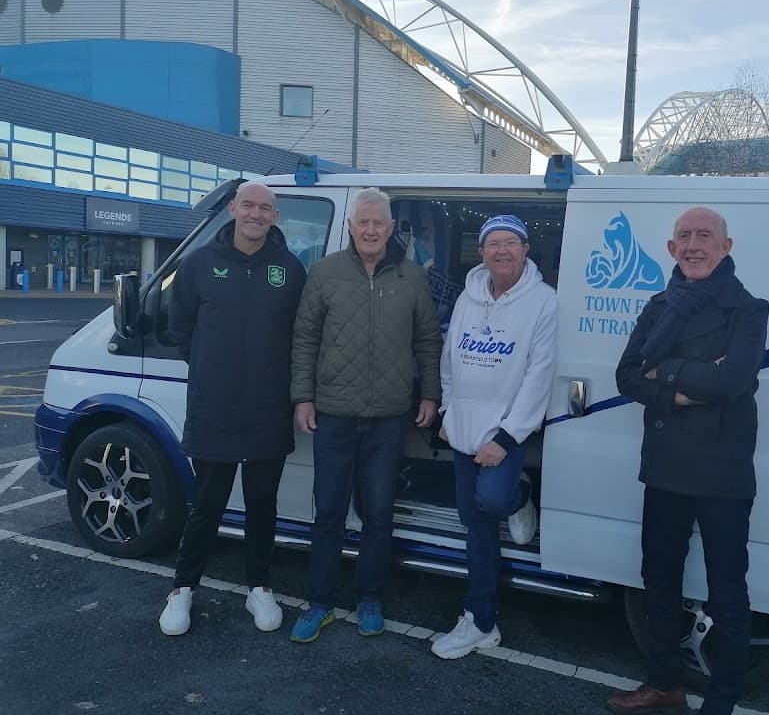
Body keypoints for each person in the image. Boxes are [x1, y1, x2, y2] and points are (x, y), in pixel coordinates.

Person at [607, 207, 769, 715]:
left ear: (726, 246)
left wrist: (666, 378)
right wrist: (691, 381)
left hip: (722, 472)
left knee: (727, 593)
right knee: (658, 580)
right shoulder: (659, 306)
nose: (694, 244)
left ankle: (719, 703)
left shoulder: (748, 309)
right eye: (685, 237)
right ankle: (664, 684)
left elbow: (732, 382)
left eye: (705, 236)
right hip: (664, 466)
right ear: (671, 249)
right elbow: (628, 377)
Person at [288, 187, 442, 643]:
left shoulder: (412, 277)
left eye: (380, 222)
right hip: (333, 415)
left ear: (392, 228)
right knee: (329, 512)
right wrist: (303, 397)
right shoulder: (323, 273)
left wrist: (430, 395)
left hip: (389, 418)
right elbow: (304, 340)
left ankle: (369, 597)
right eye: (363, 222)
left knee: (378, 513)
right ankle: (319, 602)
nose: (371, 229)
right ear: (352, 226)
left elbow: (428, 342)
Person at [159, 181, 307, 636]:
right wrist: (209, 367)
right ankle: (182, 589)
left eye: (266, 208)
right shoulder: (199, 263)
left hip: (268, 407)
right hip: (214, 407)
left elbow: (301, 335)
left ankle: (258, 587)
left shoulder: (290, 269)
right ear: (233, 209)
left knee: (263, 504)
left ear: (275, 217)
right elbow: (180, 327)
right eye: (249, 205)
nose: (257, 214)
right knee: (206, 502)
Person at [430, 214, 558, 660]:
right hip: (463, 427)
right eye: (493, 244)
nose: (501, 251)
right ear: (481, 251)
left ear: (525, 250)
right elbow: (451, 359)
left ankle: (519, 496)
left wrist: (506, 438)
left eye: (511, 243)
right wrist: (447, 410)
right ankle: (481, 620)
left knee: (492, 501)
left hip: (504, 431)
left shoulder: (543, 302)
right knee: (475, 526)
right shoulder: (469, 297)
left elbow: (539, 377)